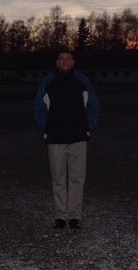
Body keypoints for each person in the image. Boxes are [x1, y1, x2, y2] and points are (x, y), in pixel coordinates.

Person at [34, 51, 99, 229]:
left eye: (68, 58)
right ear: (57, 62)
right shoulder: (47, 82)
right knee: (58, 178)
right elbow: (39, 109)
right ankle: (60, 216)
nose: (65, 61)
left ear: (73, 61)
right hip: (55, 138)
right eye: (62, 58)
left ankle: (74, 216)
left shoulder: (82, 81)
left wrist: (89, 126)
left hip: (78, 136)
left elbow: (93, 104)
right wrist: (44, 130)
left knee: (77, 178)